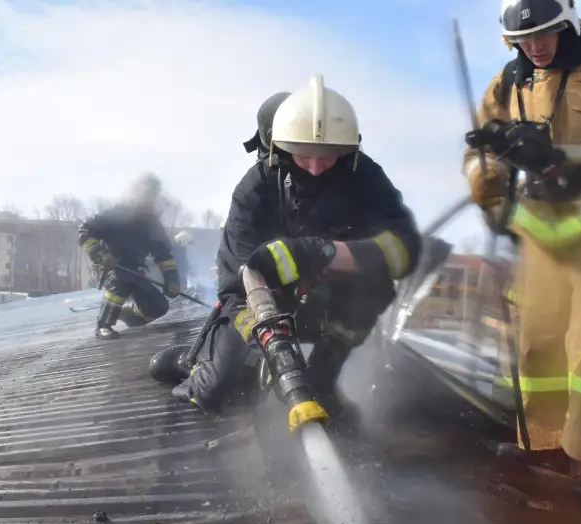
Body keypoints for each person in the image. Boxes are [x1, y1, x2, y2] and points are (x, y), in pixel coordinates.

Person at [165, 75, 421, 421]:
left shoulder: (366, 180)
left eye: (327, 157)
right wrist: (279, 352)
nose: (315, 169)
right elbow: (237, 281)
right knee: (221, 393)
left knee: (375, 286)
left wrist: (323, 254)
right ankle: (200, 375)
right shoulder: (254, 191)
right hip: (259, 303)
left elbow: (403, 247)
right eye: (303, 156)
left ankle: (324, 378)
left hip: (328, 300)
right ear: (279, 149)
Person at [463, 0, 581, 485]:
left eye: (544, 34)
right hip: (543, 235)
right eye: (523, 38)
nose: (534, 47)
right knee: (537, 346)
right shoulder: (509, 82)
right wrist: (485, 178)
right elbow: (479, 150)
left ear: (566, 25)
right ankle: (542, 451)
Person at [78, 173, 181, 339]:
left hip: (137, 270)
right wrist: (100, 254)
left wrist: (172, 280)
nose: (150, 199)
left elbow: (163, 255)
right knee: (122, 280)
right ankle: (103, 324)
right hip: (111, 265)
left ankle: (128, 315)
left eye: (153, 195)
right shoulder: (117, 215)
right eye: (147, 194)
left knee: (159, 306)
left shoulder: (152, 224)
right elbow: (85, 232)